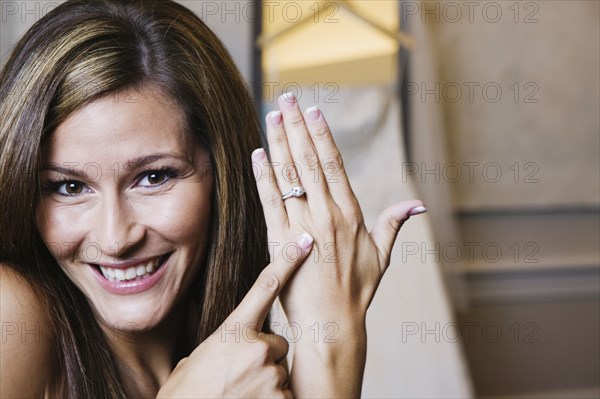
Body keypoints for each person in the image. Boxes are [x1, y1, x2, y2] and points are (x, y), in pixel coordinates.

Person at [0, 0, 426, 397]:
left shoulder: (240, 366)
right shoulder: (13, 314)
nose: (115, 239)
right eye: (69, 187)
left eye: (153, 177)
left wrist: (329, 335)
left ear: (222, 175)